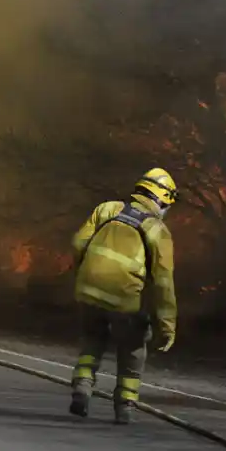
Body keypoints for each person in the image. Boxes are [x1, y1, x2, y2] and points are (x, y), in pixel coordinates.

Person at [68, 168, 177, 425]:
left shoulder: (107, 209)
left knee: (92, 338)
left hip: (88, 291)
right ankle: (125, 404)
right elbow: (163, 284)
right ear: (161, 199)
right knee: (133, 347)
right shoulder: (157, 230)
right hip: (125, 301)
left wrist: (84, 274)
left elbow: (77, 244)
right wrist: (167, 326)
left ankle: (82, 386)